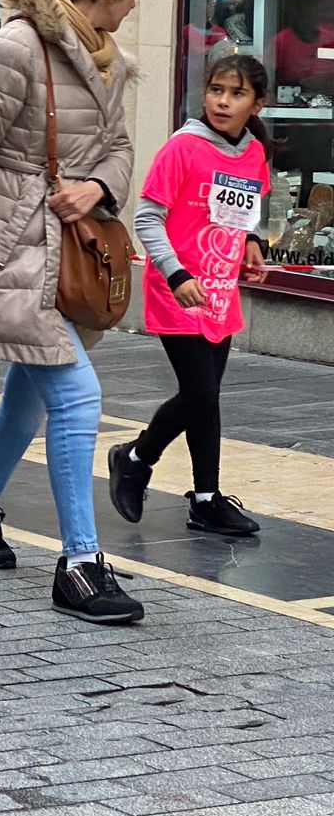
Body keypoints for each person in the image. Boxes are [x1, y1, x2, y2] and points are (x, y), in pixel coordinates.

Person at [0, 0, 149, 625]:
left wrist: (99, 189)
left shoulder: (109, 58)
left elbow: (118, 147)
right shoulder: (15, 47)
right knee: (79, 397)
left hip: (70, 255)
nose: (133, 8)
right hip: (12, 249)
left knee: (33, 383)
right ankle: (80, 563)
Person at [107, 53, 272, 539]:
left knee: (206, 398)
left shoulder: (253, 153)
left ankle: (203, 498)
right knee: (202, 392)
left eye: (237, 94)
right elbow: (147, 218)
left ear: (257, 104)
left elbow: (244, 213)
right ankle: (136, 458)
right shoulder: (182, 149)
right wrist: (176, 273)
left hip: (220, 287)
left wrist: (253, 244)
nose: (223, 101)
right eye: (216, 90)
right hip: (177, 287)